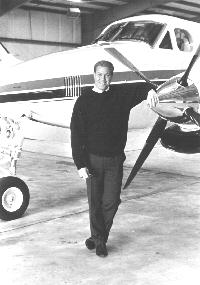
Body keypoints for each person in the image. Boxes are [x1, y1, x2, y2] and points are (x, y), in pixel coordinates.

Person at [70, 60, 158, 257]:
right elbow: (76, 133)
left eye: (107, 75)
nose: (103, 79)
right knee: (95, 203)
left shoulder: (120, 96)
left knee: (111, 201)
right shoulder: (84, 100)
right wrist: (80, 164)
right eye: (99, 74)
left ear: (112, 76)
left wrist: (151, 91)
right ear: (94, 75)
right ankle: (100, 240)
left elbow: (142, 88)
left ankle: (98, 237)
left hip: (115, 161)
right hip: (92, 161)